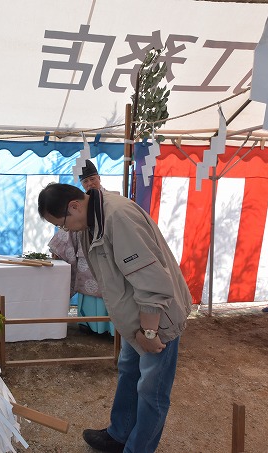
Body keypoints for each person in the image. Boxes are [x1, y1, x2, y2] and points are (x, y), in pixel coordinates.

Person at [38, 183, 192, 453]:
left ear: (74, 206)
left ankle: (137, 448)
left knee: (151, 391)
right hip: (135, 319)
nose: (65, 230)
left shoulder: (118, 217)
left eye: (62, 224)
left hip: (155, 320)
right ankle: (119, 434)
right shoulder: (92, 219)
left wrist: (149, 333)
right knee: (129, 373)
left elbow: (152, 282)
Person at [48, 160, 114, 335]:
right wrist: (58, 248)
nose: (90, 183)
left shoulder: (112, 201)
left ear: (99, 178)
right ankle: (89, 325)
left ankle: (109, 328)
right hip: (86, 255)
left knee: (110, 290)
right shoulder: (79, 204)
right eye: (86, 181)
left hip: (108, 255)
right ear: (81, 184)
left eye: (93, 179)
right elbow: (69, 228)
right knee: (88, 289)